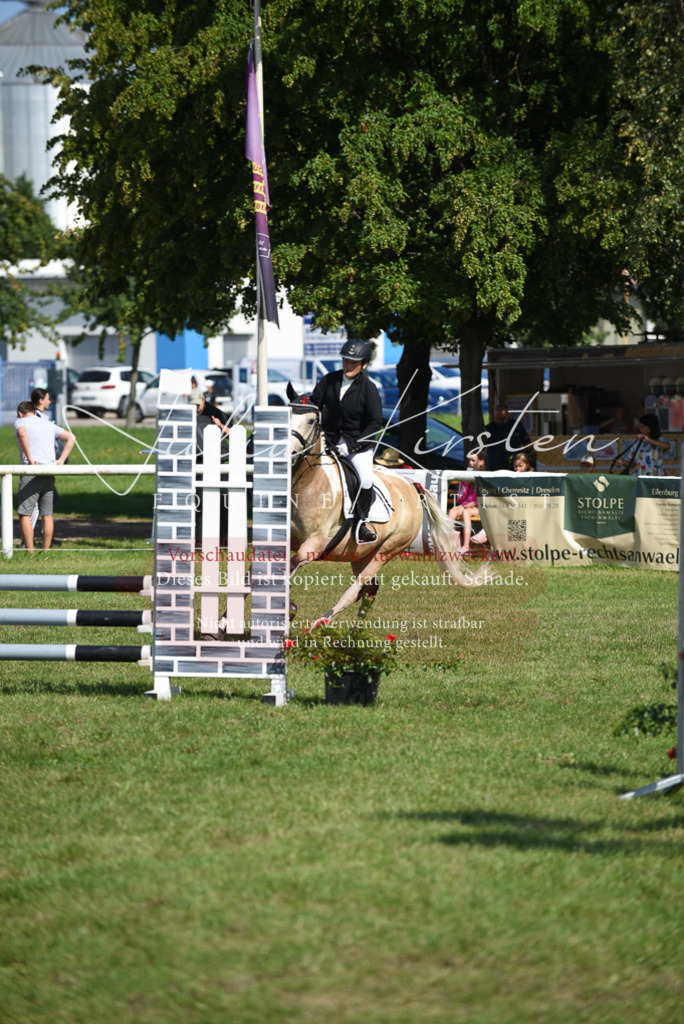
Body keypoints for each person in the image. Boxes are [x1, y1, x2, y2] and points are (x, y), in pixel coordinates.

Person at [310, 339, 383, 543]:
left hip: (357, 445)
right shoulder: (329, 380)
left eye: (354, 362)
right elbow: (315, 404)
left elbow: (376, 421)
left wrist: (351, 446)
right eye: (346, 361)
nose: (349, 365)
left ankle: (362, 522)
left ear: (364, 364)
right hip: (329, 440)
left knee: (365, 478)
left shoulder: (369, 388)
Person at [15, 400, 75, 552]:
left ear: (19, 413)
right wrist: (60, 460)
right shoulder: (47, 424)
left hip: (32, 471)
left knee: (25, 513)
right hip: (49, 471)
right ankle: (46, 551)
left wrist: (29, 458)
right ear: (35, 412)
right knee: (47, 514)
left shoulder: (21, 421)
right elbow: (71, 438)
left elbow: (22, 433)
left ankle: (30, 551)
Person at [452, 451, 487, 554]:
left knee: (466, 512)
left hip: (479, 507)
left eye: (473, 460)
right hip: (465, 505)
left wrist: (471, 504)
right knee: (453, 511)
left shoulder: (483, 477)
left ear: (481, 462)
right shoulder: (465, 477)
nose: (471, 463)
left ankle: (466, 545)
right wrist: (466, 484)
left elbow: (483, 497)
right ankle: (455, 542)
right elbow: (460, 498)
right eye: (469, 461)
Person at [485, 403, 532, 471]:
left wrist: (525, 458)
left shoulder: (516, 426)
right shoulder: (489, 429)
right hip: (494, 465)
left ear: (508, 415)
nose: (500, 422)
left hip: (514, 465)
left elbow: (527, 444)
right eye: (497, 419)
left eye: (503, 419)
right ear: (494, 416)